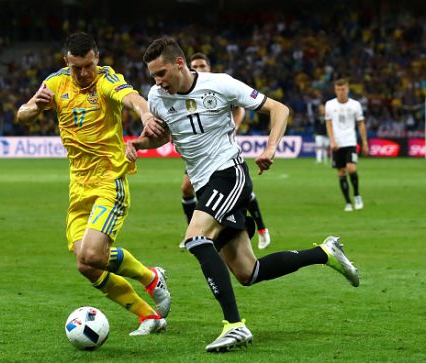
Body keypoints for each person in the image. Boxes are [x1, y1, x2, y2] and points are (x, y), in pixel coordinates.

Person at [126, 37, 360, 353]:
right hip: (203, 183)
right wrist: (140, 144)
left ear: (179, 64)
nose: (157, 81)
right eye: (153, 75)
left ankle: (235, 326)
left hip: (228, 172)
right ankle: (325, 253)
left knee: (196, 238)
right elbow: (167, 134)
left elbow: (279, 109)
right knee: (249, 273)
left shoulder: (220, 85)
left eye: (162, 73)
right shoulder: (157, 97)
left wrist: (270, 148)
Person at [16, 32, 171, 336]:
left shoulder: (106, 80)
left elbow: (133, 98)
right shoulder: (56, 82)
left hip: (109, 181)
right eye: (77, 67)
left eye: (88, 65)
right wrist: (36, 106)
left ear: (97, 59)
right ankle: (149, 317)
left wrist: (144, 115)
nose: (84, 72)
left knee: (91, 254)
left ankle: (151, 277)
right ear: (67, 62)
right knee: (87, 265)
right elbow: (22, 114)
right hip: (78, 187)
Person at [176, 52, 270, 250]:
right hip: (199, 157)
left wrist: (235, 126)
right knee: (186, 188)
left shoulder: (218, 85)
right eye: (195, 66)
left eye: (202, 65)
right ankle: (193, 232)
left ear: (209, 67)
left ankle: (262, 229)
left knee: (242, 191)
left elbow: (240, 108)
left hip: (222, 152)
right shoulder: (185, 90)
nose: (198, 69)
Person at [325, 79, 369, 211]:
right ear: (335, 90)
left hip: (350, 141)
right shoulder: (329, 105)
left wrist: (365, 142)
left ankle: (356, 195)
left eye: (343, 89)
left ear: (348, 89)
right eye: (338, 89)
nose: (340, 92)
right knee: (341, 172)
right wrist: (332, 141)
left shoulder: (355, 105)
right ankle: (348, 202)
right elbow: (329, 123)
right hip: (337, 143)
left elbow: (361, 123)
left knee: (351, 168)